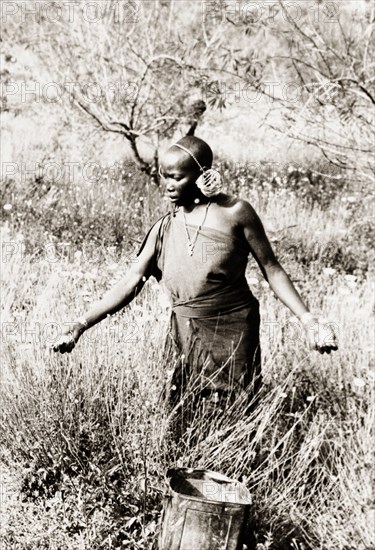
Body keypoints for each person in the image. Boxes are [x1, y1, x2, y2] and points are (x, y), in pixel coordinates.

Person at [52, 136, 338, 413]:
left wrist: (309, 321)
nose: (168, 186)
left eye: (177, 177)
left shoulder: (236, 213)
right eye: (165, 177)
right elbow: (130, 283)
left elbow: (272, 269)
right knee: (184, 412)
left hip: (234, 331)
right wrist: (81, 324)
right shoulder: (164, 228)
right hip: (185, 333)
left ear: (203, 174)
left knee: (236, 412)